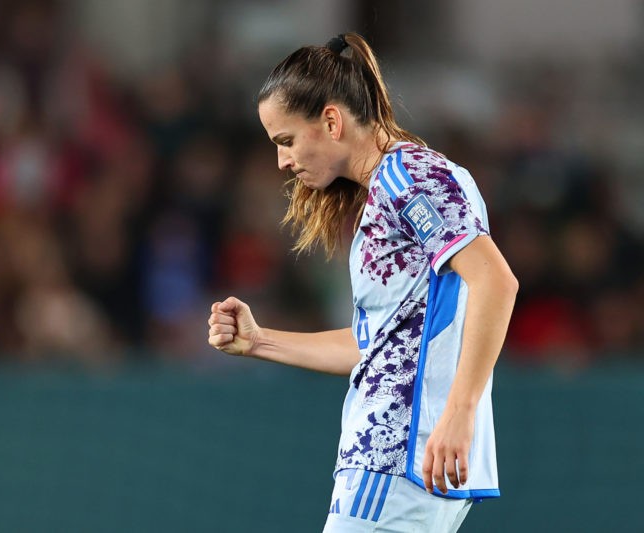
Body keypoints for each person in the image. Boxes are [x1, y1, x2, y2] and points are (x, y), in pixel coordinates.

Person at [207, 32, 518, 532]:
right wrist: (259, 342)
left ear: (331, 121)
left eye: (285, 140)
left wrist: (460, 411)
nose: (282, 162)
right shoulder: (393, 187)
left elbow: (496, 282)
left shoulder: (408, 177)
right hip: (406, 458)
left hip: (396, 455)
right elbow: (378, 347)